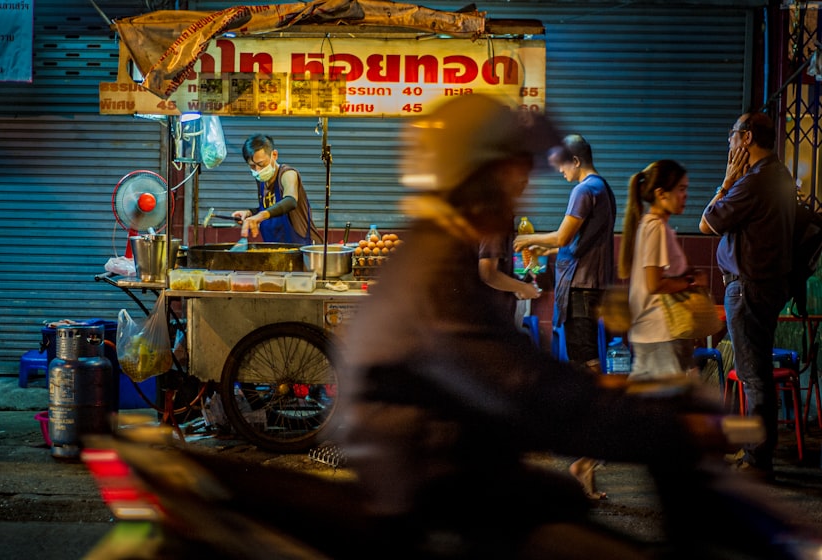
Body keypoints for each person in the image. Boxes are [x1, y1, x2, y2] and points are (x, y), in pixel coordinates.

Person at [331, 94, 806, 559]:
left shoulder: (440, 251)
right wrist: (655, 426)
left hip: (452, 466)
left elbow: (521, 372)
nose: (522, 188)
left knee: (562, 497)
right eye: (513, 173)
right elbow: (526, 388)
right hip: (429, 491)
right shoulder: (435, 272)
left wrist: (627, 403)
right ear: (476, 176)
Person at [513, 134, 617, 499]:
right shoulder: (601, 188)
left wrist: (525, 241)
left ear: (575, 160)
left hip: (581, 293)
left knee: (586, 375)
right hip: (586, 289)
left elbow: (562, 237)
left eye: (560, 164)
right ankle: (586, 466)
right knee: (585, 372)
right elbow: (574, 244)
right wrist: (540, 245)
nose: (558, 171)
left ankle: (586, 457)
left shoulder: (585, 190)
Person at [699, 112, 796, 479]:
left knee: (754, 375)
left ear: (748, 137)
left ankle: (758, 461)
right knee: (756, 373)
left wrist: (725, 182)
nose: (729, 142)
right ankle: (755, 452)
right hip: (765, 286)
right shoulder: (778, 176)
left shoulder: (753, 183)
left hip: (749, 287)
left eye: (732, 135)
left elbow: (706, 222)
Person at [619, 160, 708, 380]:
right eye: (681, 189)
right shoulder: (655, 228)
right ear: (661, 194)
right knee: (669, 404)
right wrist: (692, 283)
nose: (685, 195)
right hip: (659, 332)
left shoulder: (654, 226)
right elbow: (655, 284)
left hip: (655, 332)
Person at [230, 133, 322, 245]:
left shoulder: (288, 174)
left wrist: (260, 216)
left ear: (274, 155)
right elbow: (270, 207)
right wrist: (250, 213)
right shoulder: (262, 180)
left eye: (261, 164)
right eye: (252, 166)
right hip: (277, 248)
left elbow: (290, 201)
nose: (258, 170)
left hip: (302, 248)